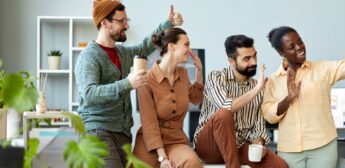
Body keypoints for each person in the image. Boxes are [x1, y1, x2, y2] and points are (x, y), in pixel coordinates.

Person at [75, 0, 183, 167]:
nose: (126, 26)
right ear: (104, 23)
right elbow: (89, 94)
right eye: (121, 21)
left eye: (127, 20)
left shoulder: (122, 53)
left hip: (122, 134)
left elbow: (145, 46)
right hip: (97, 131)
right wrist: (128, 83)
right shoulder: (89, 56)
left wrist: (168, 23)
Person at [261, 26, 345, 168]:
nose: (300, 47)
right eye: (292, 46)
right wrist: (288, 99)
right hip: (289, 150)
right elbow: (269, 115)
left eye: (300, 41)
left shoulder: (322, 69)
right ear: (281, 53)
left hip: (323, 147)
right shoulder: (272, 81)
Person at [193, 35, 289, 168]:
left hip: (238, 145)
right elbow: (226, 106)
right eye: (247, 59)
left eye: (254, 56)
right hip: (209, 147)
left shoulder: (258, 86)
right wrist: (257, 90)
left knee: (279, 165)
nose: (254, 62)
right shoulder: (216, 77)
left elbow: (258, 126)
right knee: (223, 114)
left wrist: (258, 143)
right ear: (231, 61)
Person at [133, 27, 204, 168]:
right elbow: (149, 124)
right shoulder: (145, 79)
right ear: (171, 46)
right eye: (186, 44)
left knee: (192, 162)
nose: (190, 50)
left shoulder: (183, 74)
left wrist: (199, 71)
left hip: (176, 141)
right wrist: (162, 158)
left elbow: (196, 99)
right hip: (150, 144)